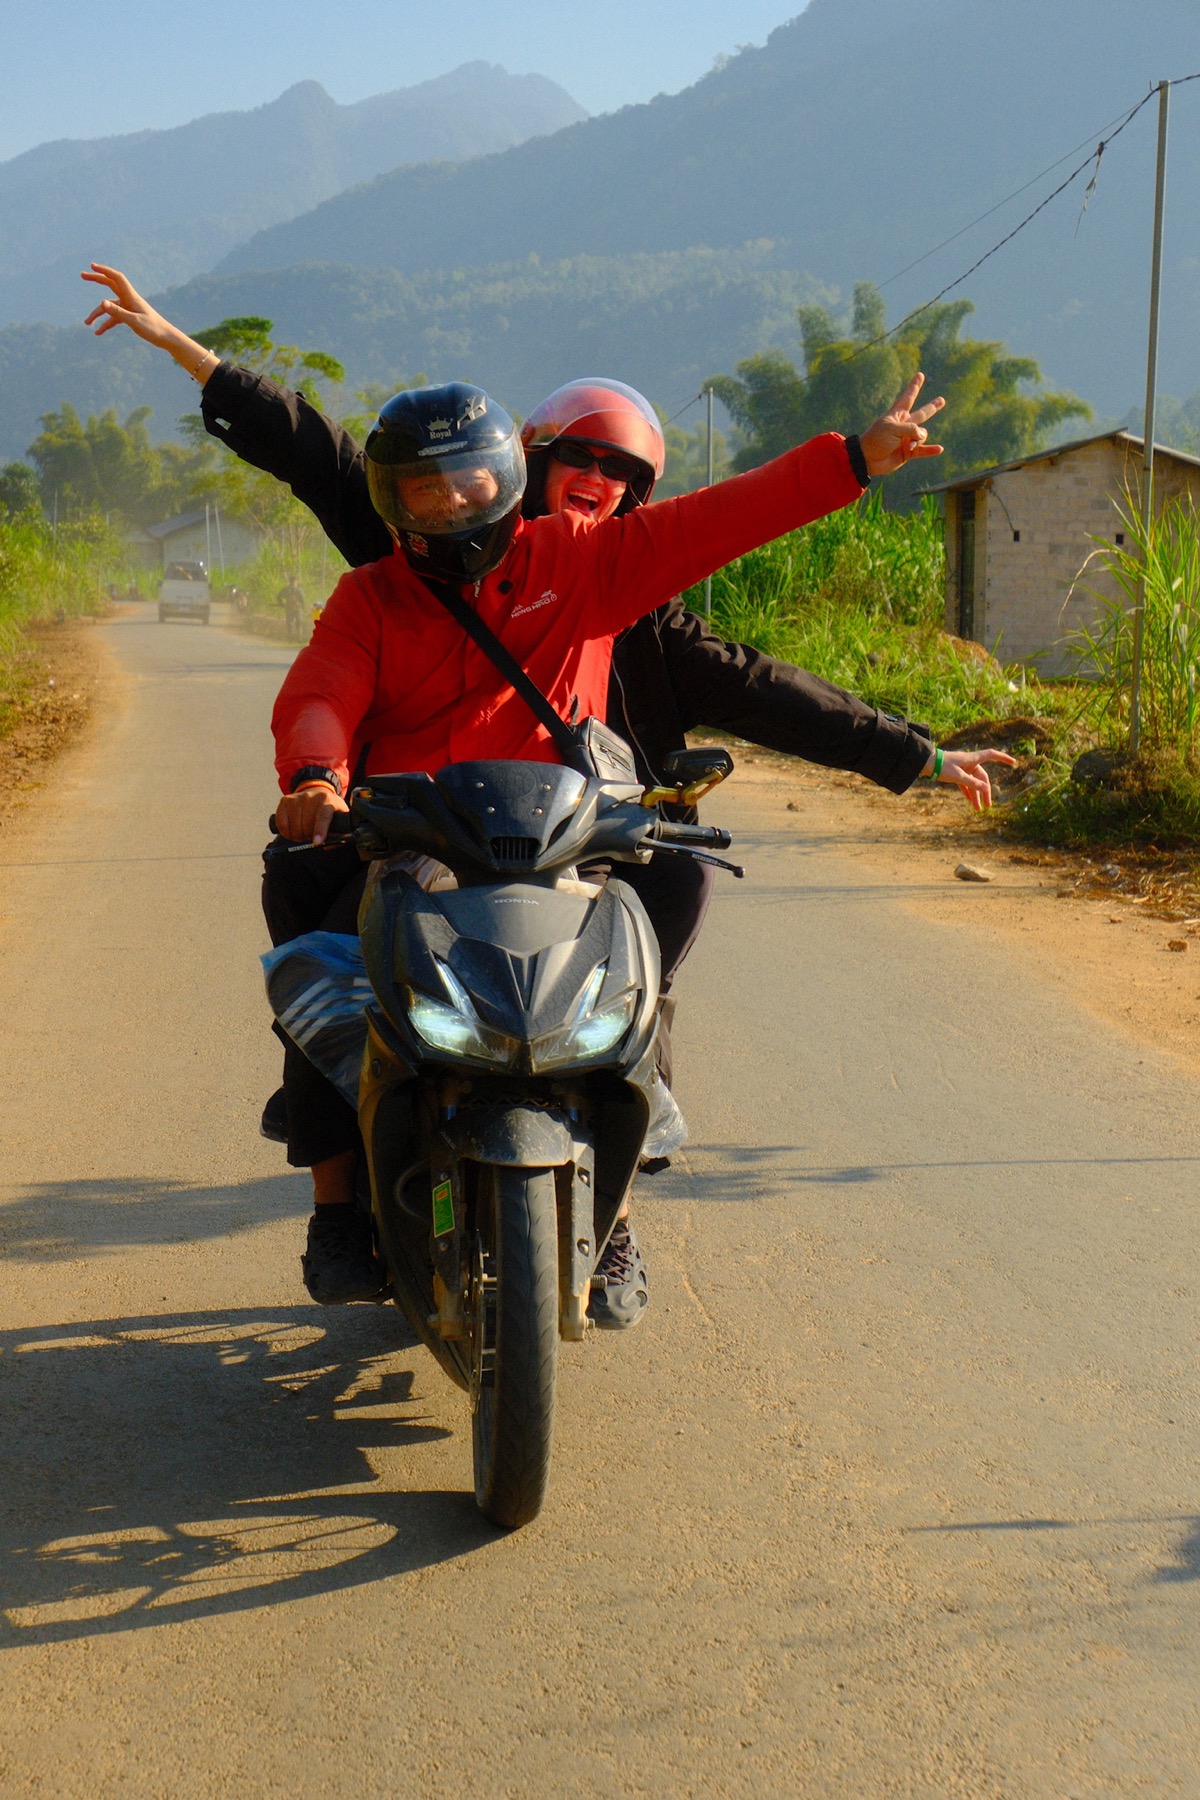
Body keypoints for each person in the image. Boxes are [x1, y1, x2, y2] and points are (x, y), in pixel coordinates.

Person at [83, 264, 1014, 1323]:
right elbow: (321, 686)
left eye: (467, 485)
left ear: (507, 480)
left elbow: (738, 557)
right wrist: (316, 777)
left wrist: (852, 466)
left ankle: (612, 1217)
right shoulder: (375, 586)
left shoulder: (598, 568)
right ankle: (336, 1203)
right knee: (322, 952)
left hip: (561, 836)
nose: (448, 504)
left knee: (655, 929)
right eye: (578, 459)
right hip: (410, 834)